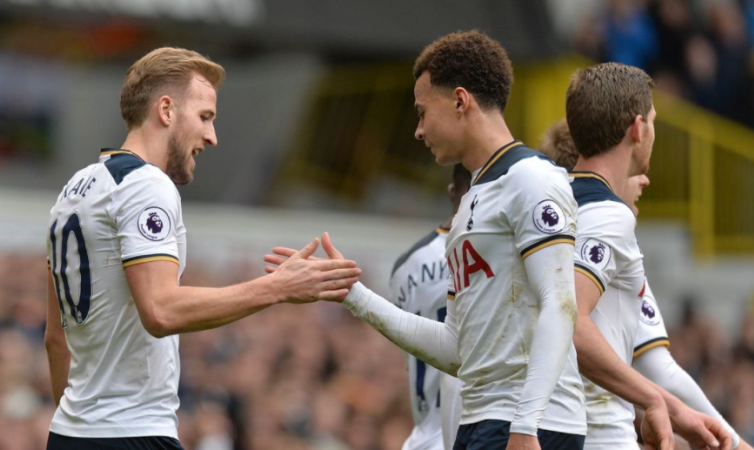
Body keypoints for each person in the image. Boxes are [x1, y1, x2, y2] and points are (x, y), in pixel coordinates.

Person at [268, 30, 587, 449]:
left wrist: (527, 424)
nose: (418, 131)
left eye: (422, 112)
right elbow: (456, 349)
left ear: (460, 101)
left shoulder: (531, 178)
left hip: (530, 426)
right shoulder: (468, 207)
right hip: (481, 420)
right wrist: (353, 295)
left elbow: (560, 305)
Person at [43, 47, 362, 450]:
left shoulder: (73, 190)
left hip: (70, 433)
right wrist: (278, 287)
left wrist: (79, 428)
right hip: (131, 433)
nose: (212, 137)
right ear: (166, 110)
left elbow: (56, 338)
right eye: (205, 117)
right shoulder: (147, 185)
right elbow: (160, 310)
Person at [539, 119, 751, 450]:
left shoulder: (538, 237)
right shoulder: (611, 229)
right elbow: (660, 370)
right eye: (633, 169)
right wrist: (735, 444)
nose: (643, 179)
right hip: (596, 436)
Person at [564, 62, 730, 449]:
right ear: (638, 128)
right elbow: (569, 320)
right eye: (653, 121)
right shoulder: (609, 215)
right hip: (600, 435)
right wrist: (655, 400)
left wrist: (672, 410)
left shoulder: (547, 206)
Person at [389, 164, 469, 450]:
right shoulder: (500, 256)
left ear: (451, 191)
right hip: (475, 432)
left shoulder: (405, 265)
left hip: (423, 437)